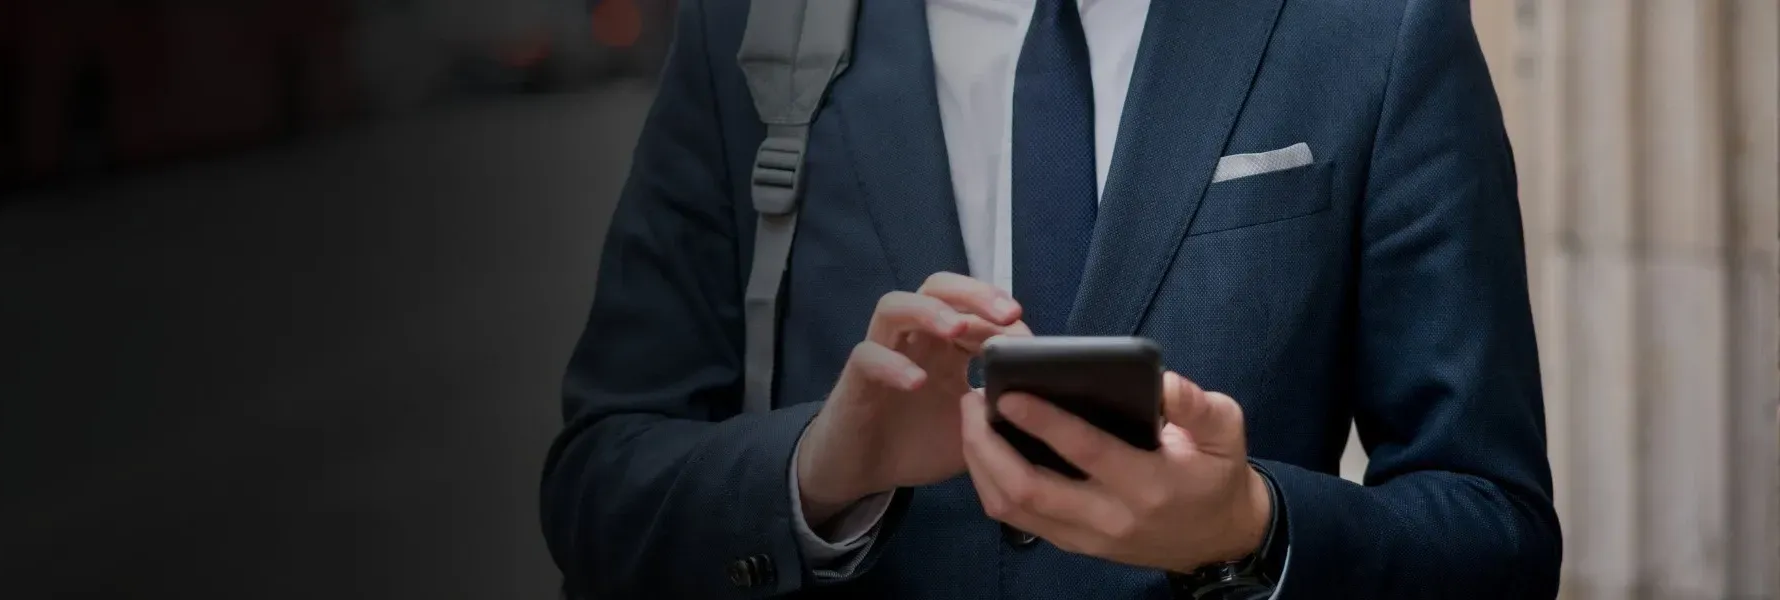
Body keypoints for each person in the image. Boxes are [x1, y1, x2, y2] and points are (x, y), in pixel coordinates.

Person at [540, 0, 1562, 597]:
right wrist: (818, 472)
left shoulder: (1371, 26)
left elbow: (1493, 530)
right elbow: (595, 489)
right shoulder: (755, 25)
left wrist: (1253, 528)